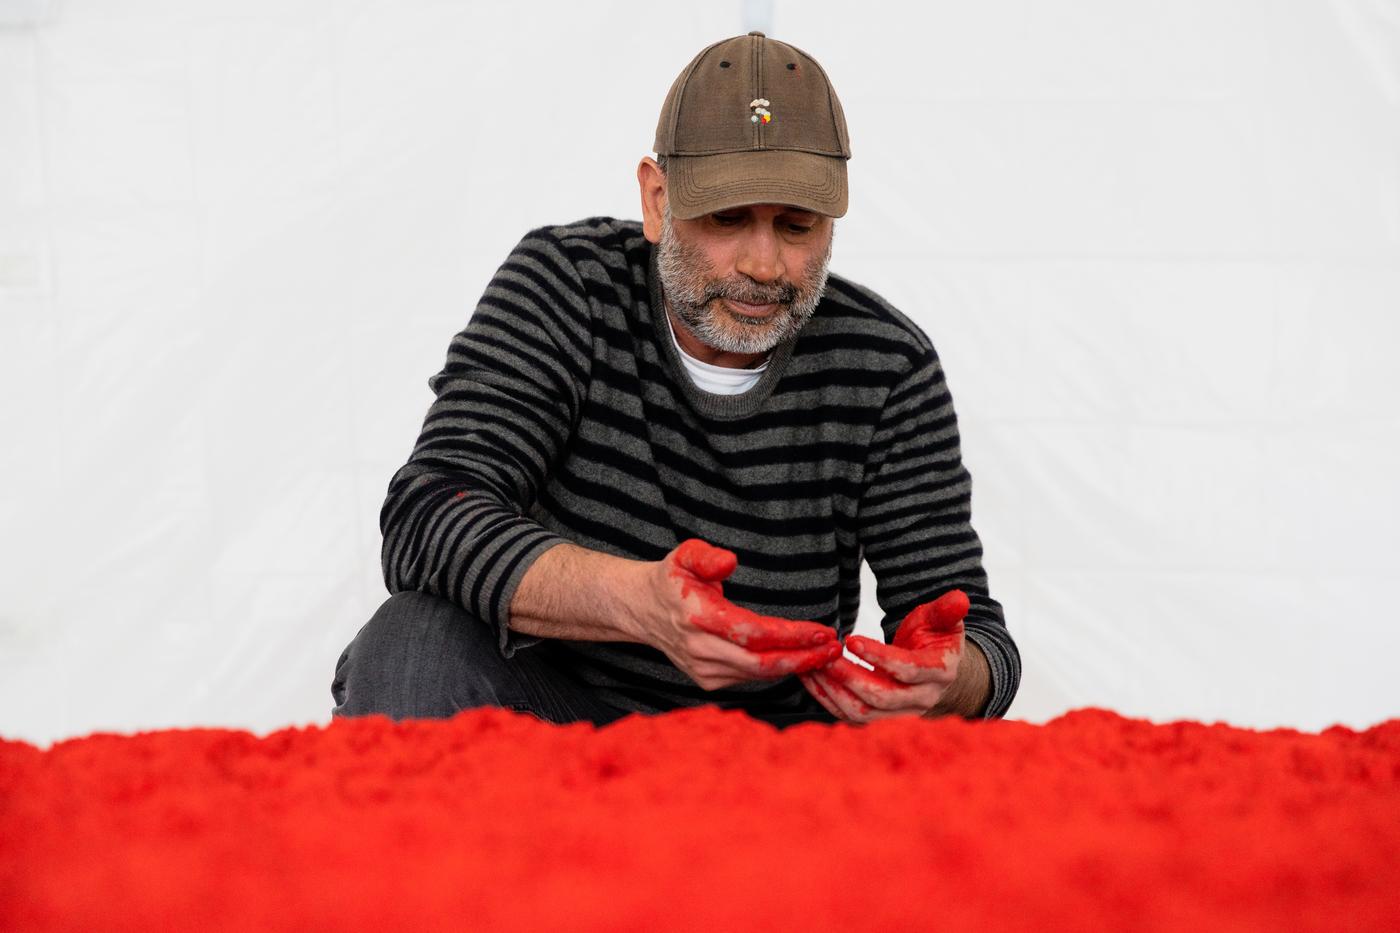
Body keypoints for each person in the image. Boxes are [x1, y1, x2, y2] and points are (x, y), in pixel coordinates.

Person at [331, 31, 1021, 730]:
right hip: (552, 734)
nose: (764, 263)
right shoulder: (565, 286)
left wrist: (947, 677)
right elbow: (428, 515)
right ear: (657, 200)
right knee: (409, 639)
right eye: (726, 217)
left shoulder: (886, 364)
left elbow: (978, 641)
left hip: (772, 760)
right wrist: (637, 602)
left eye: (797, 224)